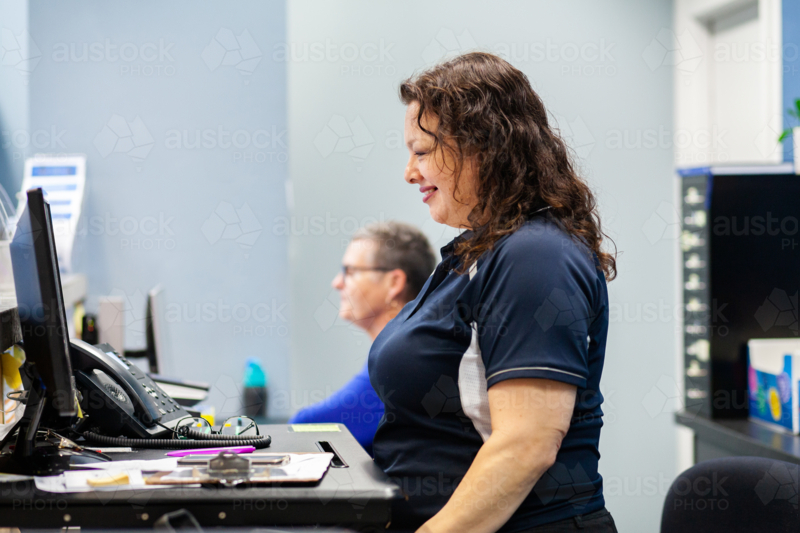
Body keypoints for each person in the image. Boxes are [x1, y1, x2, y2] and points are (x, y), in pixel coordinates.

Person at [368, 52, 618, 532]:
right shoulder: (476, 253)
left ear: (481, 146)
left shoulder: (536, 255)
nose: (410, 172)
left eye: (422, 152)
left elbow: (526, 445)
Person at [289, 221, 436, 456]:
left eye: (350, 271)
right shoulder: (414, 345)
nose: (337, 282)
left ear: (394, 282)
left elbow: (302, 430)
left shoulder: (402, 358)